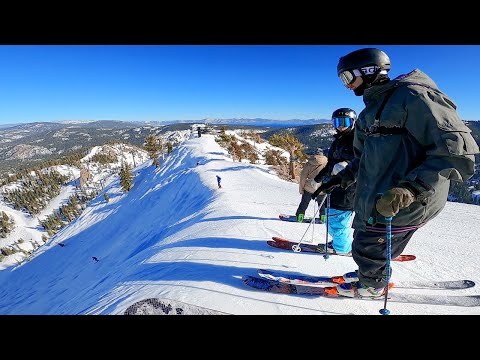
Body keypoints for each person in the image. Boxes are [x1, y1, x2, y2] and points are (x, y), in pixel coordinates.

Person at [313, 47, 479, 298]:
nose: (346, 85)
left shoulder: (413, 96)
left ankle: (373, 285)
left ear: (368, 71)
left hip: (409, 197)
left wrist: (410, 189)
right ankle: (371, 273)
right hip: (379, 194)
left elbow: (455, 151)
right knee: (366, 239)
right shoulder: (371, 111)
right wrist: (341, 178)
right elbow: (364, 159)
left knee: (370, 243)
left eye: (347, 77)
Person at [311, 108, 357, 255]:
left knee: (337, 220)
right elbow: (330, 164)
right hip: (334, 186)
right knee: (332, 217)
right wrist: (318, 179)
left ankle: (342, 248)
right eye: (337, 122)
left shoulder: (357, 139)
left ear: (353, 122)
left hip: (348, 188)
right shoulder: (339, 140)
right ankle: (339, 241)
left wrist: (347, 164)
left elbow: (363, 160)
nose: (341, 125)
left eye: (345, 122)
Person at [295, 149, 328, 223]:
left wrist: (301, 189)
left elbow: (303, 177)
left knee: (304, 203)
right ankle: (323, 218)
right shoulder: (327, 163)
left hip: (309, 187)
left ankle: (300, 217)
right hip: (321, 188)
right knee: (322, 205)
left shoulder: (309, 163)